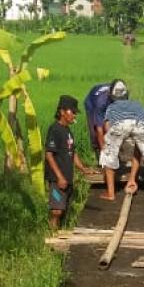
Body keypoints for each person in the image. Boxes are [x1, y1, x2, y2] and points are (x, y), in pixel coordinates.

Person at [100, 80, 144, 200]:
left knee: (108, 154)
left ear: (111, 95)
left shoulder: (111, 107)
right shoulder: (137, 104)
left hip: (119, 124)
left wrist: (110, 144)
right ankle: (135, 180)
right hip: (140, 124)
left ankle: (111, 193)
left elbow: (107, 126)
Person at [45, 94, 95, 227]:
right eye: (72, 112)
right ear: (62, 112)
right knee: (56, 210)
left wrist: (83, 169)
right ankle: (52, 235)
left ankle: (59, 234)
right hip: (57, 179)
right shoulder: (54, 129)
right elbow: (49, 154)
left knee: (64, 210)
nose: (74, 115)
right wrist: (59, 177)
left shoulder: (67, 131)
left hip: (68, 177)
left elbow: (72, 153)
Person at [82, 80, 113, 157]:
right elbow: (99, 129)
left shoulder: (121, 95)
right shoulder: (100, 103)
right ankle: (98, 153)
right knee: (95, 131)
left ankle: (111, 151)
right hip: (91, 104)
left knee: (110, 127)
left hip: (106, 102)